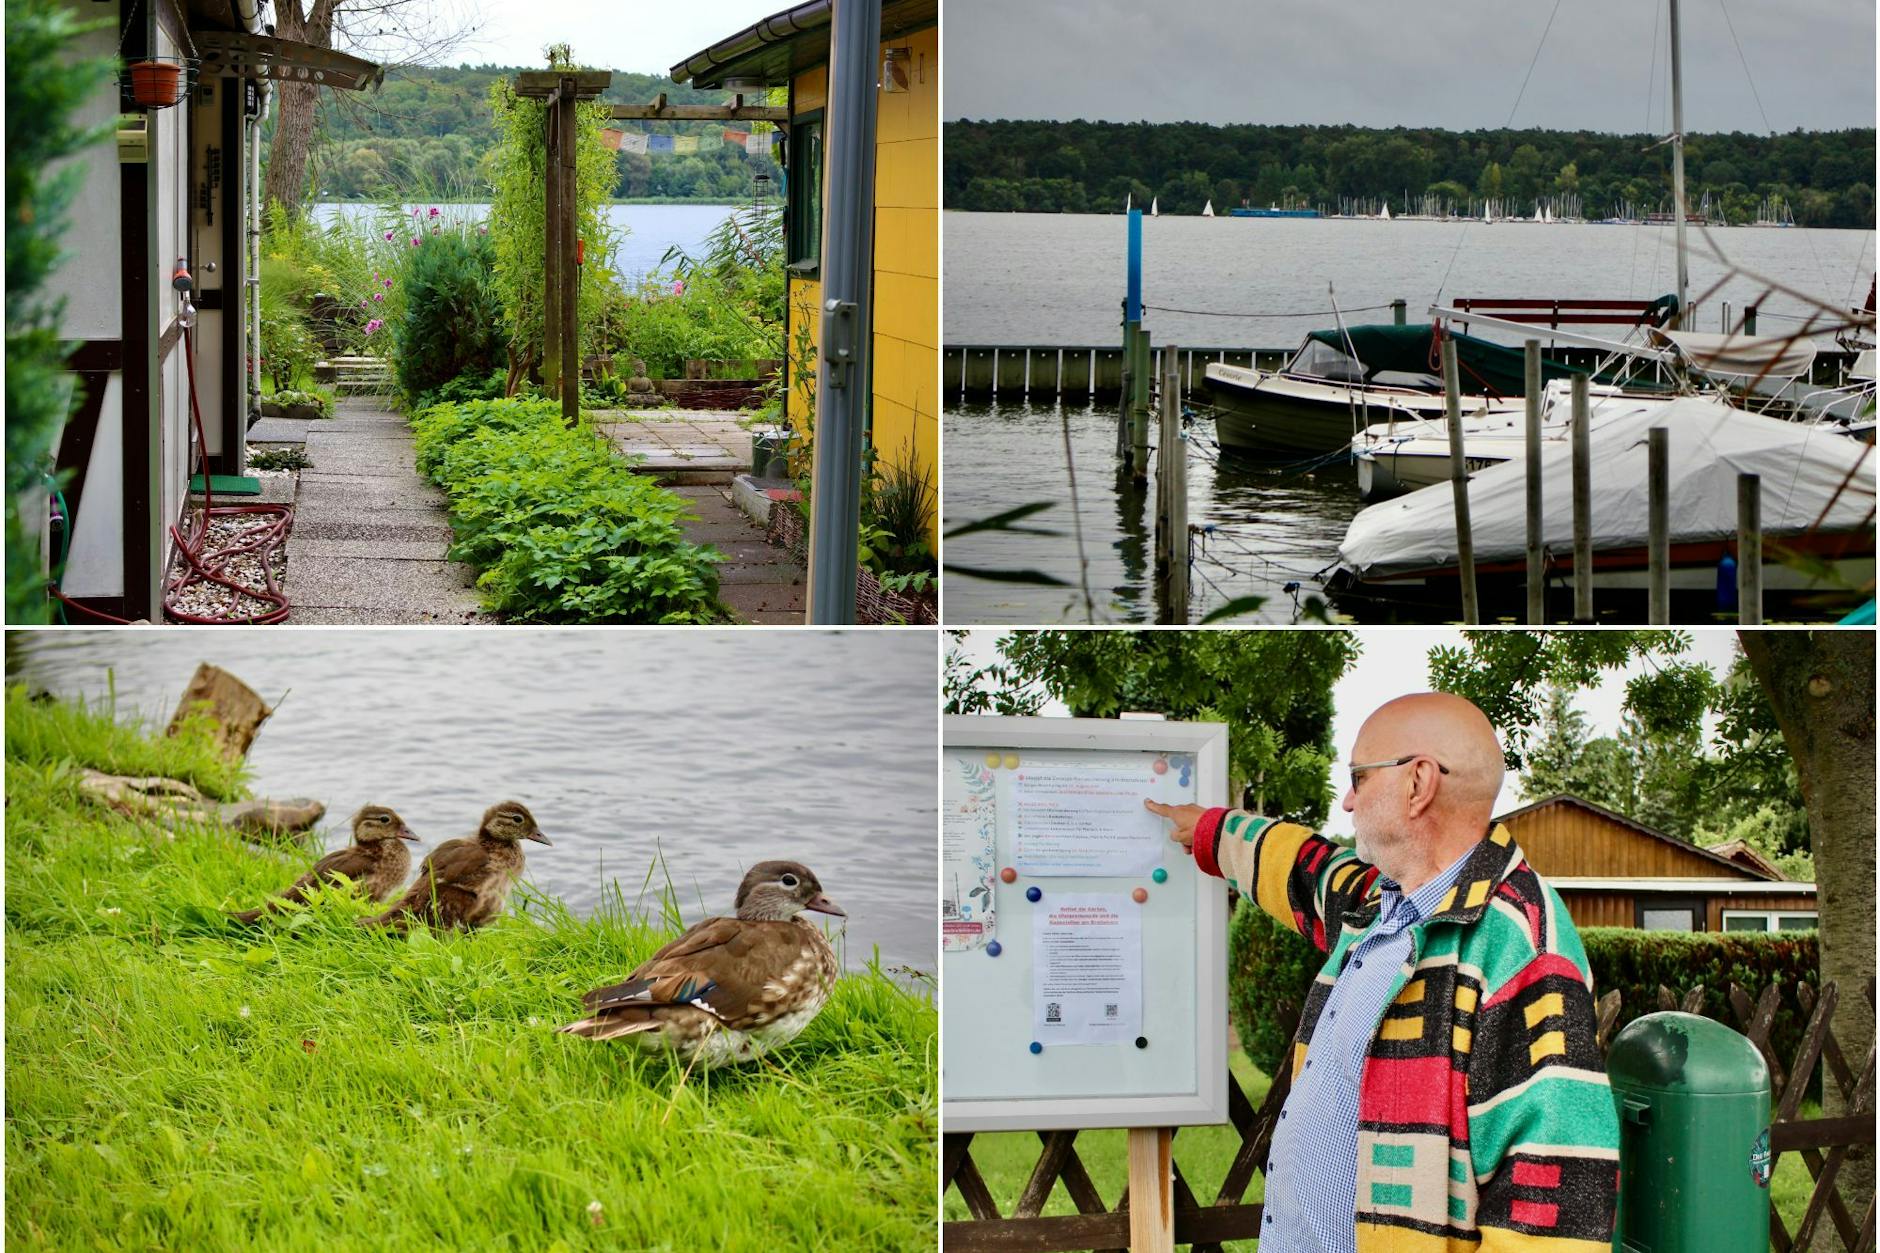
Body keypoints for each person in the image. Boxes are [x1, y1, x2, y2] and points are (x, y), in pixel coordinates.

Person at [1146, 692, 1618, 1253]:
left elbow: (1556, 1206)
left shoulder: (1520, 946)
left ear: (1418, 784)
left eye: (1358, 778)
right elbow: (1304, 868)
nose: (1346, 801)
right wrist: (1209, 830)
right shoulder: (1380, 904)